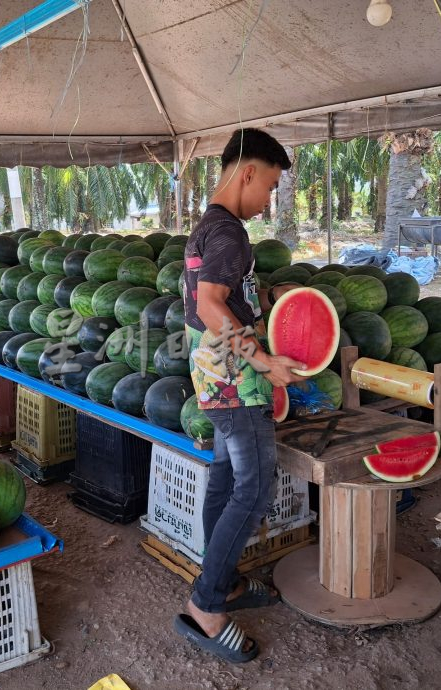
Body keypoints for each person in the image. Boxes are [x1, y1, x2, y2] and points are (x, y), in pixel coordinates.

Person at [173, 128, 306, 663]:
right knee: (253, 488)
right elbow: (209, 306)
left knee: (225, 480)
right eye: (271, 186)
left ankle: (221, 581)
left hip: (210, 373)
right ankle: (206, 606)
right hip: (234, 376)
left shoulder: (209, 228)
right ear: (247, 172)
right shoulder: (231, 234)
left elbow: (221, 298)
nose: (269, 199)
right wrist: (265, 361)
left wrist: (264, 297)